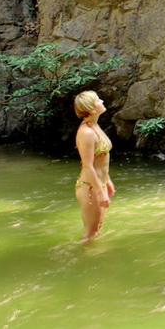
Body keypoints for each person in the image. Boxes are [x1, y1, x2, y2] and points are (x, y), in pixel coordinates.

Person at [73, 90, 115, 242]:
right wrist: (99, 192)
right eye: (98, 100)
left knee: (96, 229)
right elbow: (88, 165)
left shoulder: (95, 126)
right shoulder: (87, 133)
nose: (102, 101)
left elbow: (101, 159)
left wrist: (107, 181)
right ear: (90, 107)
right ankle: (83, 258)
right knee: (90, 233)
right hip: (90, 188)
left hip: (98, 184)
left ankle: (92, 259)